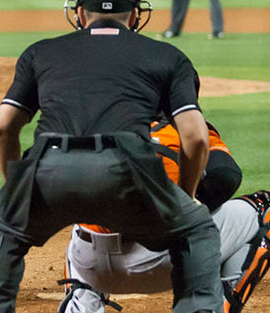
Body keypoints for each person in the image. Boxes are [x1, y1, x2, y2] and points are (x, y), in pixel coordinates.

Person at [0, 0, 224, 312]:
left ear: (80, 13)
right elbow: (196, 138)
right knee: (196, 230)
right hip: (128, 170)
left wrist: (17, 190)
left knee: (2, 231)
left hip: (48, 165)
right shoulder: (167, 56)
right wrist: (186, 198)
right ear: (134, 15)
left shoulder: (40, 52)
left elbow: (1, 129)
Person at [61, 119, 270, 313]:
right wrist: (189, 207)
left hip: (93, 266)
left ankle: (81, 301)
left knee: (87, 213)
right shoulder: (185, 127)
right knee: (265, 208)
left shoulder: (92, 127)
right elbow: (225, 177)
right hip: (167, 261)